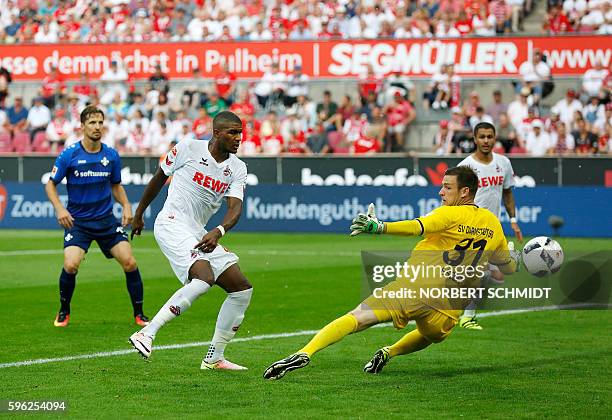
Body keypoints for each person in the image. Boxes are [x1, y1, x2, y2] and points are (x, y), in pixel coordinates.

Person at [263, 166, 519, 380]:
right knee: (431, 336)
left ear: (465, 191)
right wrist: (514, 258)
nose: (441, 191)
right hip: (450, 306)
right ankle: (389, 352)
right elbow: (507, 267)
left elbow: (416, 226)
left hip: (416, 289)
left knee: (359, 318)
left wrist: (380, 227)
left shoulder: (450, 213)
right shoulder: (493, 224)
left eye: (447, 187)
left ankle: (306, 352)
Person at [129, 111, 253, 371]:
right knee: (203, 277)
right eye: (232, 132)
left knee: (241, 288)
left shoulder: (238, 168)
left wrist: (218, 230)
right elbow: (158, 179)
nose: (238, 138)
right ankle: (146, 333)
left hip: (199, 231)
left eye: (240, 132)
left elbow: (235, 210)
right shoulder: (187, 148)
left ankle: (214, 358)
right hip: (172, 222)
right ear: (216, 132)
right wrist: (139, 214)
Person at [45, 106, 148, 328]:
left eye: (100, 122)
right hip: (78, 223)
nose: (97, 127)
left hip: (106, 221)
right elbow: (50, 185)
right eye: (92, 123)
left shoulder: (111, 155)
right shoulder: (69, 154)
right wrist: (60, 209)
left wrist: (127, 205)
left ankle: (139, 314)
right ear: (82, 126)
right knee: (71, 265)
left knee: (130, 262)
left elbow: (116, 185)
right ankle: (64, 310)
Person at [457, 122, 523, 330]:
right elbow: (454, 197)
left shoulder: (503, 163)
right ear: (475, 139)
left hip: (493, 226)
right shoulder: (466, 166)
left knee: (500, 276)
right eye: (482, 137)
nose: (486, 141)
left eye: (489, 137)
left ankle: (463, 292)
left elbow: (508, 193)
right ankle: (467, 317)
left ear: (495, 138)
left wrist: (513, 221)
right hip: (471, 226)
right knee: (480, 271)